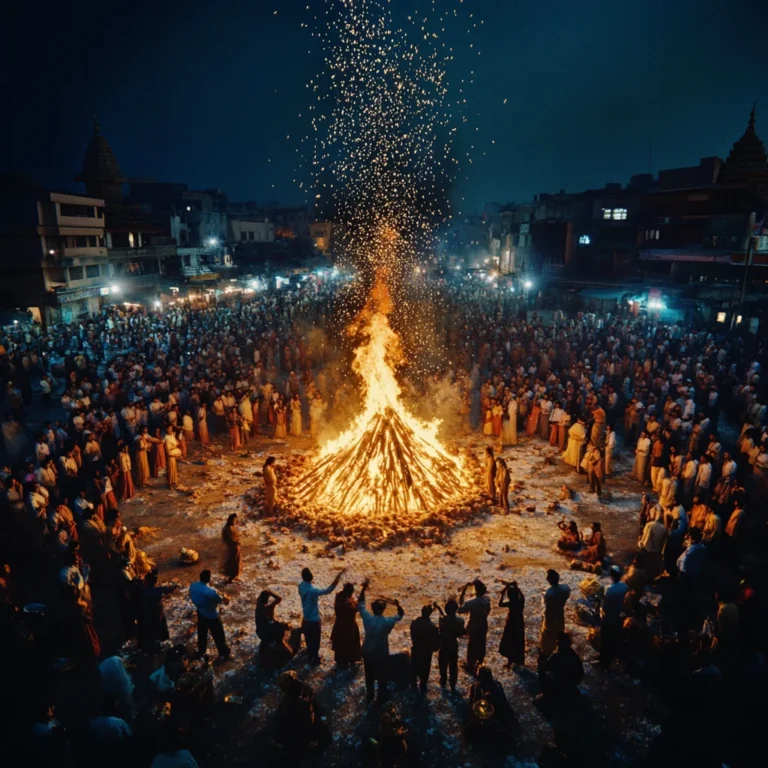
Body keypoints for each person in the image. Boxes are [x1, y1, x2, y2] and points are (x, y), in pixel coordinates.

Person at [358, 578, 404, 703]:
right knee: (382, 678)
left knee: (369, 677)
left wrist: (364, 588)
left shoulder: (368, 619)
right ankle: (380, 699)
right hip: (381, 654)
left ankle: (369, 696)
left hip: (368, 652)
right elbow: (400, 615)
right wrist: (398, 604)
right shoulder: (386, 622)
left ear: (372, 609)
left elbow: (360, 603)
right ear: (383, 609)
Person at [298, 566, 345, 665]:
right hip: (314, 620)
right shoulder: (312, 591)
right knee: (315, 641)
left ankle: (310, 655)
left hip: (306, 617)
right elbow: (328, 590)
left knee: (309, 639)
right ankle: (314, 658)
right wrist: (337, 578)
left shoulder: (301, 586)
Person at [188, 569, 230, 661]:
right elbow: (220, 600)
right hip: (212, 616)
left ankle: (201, 652)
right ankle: (224, 654)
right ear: (209, 579)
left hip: (200, 613)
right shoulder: (211, 591)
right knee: (219, 636)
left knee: (202, 634)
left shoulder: (193, 585)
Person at [467, 666, 512, 748]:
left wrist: (491, 698)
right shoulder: (478, 686)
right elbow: (474, 701)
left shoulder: (496, 686)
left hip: (497, 710)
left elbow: (501, 702)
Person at [536, 633, 584, 712]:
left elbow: (545, 667)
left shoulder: (557, 656)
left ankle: (549, 696)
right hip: (571, 686)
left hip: (560, 687)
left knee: (542, 672)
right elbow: (580, 674)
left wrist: (541, 658)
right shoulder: (573, 655)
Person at [458, 578, 491, 675]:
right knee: (481, 645)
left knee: (472, 646)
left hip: (474, 626)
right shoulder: (487, 600)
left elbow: (460, 610)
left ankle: (470, 666)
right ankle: (480, 664)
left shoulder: (472, 602)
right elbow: (488, 612)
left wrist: (463, 592)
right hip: (483, 624)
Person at [599, 566, 628, 668]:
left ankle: (603, 662)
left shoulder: (609, 589)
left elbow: (605, 606)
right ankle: (613, 657)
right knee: (614, 638)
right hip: (619, 616)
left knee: (606, 640)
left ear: (611, 576)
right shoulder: (624, 587)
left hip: (609, 617)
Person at [137, 570, 173, 653]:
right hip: (155, 613)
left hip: (147, 613)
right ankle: (155, 646)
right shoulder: (156, 591)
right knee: (157, 628)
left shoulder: (143, 590)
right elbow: (168, 590)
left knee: (149, 629)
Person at [435, 598, 466, 692]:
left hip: (444, 645)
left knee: (442, 664)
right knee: (453, 666)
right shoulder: (460, 621)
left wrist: (438, 608)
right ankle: (453, 685)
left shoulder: (442, 620)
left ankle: (443, 681)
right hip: (453, 644)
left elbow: (443, 618)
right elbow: (462, 632)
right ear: (456, 609)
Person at [410, 604, 440, 693]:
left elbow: (412, 636)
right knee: (424, 676)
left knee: (414, 673)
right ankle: (422, 690)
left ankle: (413, 689)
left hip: (415, 650)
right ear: (430, 614)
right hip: (426, 652)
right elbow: (436, 644)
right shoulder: (433, 627)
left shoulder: (414, 623)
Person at [540, 569, 570, 656]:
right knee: (559, 630)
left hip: (550, 616)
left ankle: (548, 652)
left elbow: (545, 606)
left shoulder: (548, 593)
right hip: (560, 613)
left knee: (548, 634)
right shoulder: (565, 588)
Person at [330, 582, 362, 666]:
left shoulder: (339, 598)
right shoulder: (350, 604)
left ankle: (341, 662)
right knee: (350, 648)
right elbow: (359, 606)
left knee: (341, 649)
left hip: (339, 626)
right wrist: (363, 590)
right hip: (350, 628)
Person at [498, 581, 525, 667]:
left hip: (511, 623)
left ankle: (509, 662)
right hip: (519, 623)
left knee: (509, 641)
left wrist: (503, 593)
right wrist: (517, 587)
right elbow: (522, 595)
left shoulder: (511, 603)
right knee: (518, 640)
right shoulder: (520, 601)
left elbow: (500, 604)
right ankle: (518, 661)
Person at [638, 515, 667, 580]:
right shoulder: (664, 529)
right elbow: (662, 543)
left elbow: (644, 536)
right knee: (652, 569)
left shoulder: (649, 524)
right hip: (656, 552)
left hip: (646, 549)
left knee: (646, 567)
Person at [220, 513, 241, 583]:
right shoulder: (226, 529)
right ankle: (230, 579)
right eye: (234, 520)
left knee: (235, 563)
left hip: (235, 548)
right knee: (233, 563)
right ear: (230, 520)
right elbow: (229, 540)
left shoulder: (231, 527)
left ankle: (231, 578)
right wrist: (236, 542)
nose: (235, 522)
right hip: (231, 549)